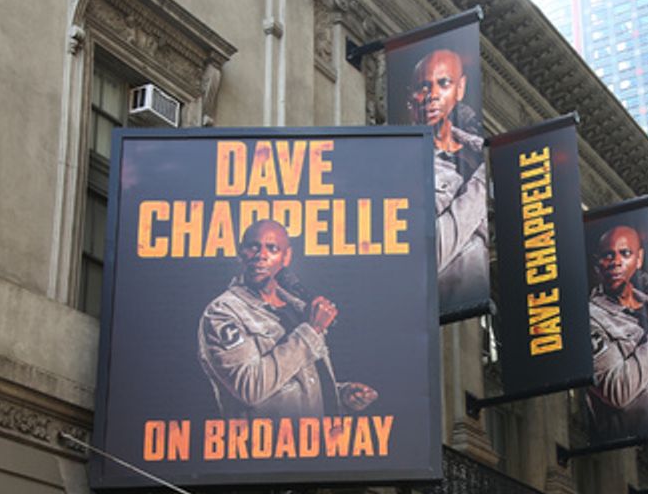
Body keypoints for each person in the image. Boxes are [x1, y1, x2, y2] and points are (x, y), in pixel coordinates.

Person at [198, 219, 376, 419]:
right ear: (241, 253)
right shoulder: (223, 312)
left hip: (313, 443)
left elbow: (294, 382)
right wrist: (311, 331)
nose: (261, 256)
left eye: (272, 248)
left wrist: (339, 395)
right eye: (253, 247)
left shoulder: (297, 308)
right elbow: (249, 387)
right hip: (262, 447)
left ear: (286, 256)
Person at [408, 48, 487, 305]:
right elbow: (429, 255)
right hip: (450, 299)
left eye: (443, 83)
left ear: (460, 88)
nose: (432, 96)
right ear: (412, 98)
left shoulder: (478, 151)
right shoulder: (406, 170)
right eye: (423, 87)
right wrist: (482, 184)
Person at [586, 224, 648, 440]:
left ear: (639, 259)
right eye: (607, 255)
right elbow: (617, 390)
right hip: (633, 443)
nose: (616, 262)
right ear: (597, 263)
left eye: (625, 253)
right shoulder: (590, 318)